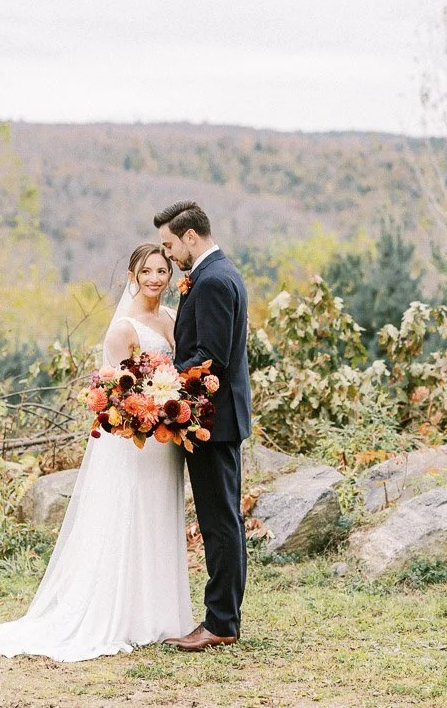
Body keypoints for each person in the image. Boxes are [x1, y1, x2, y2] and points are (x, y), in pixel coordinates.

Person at [0, 244, 194, 662]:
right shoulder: (123, 328)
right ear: (131, 276)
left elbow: (178, 371)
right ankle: (121, 614)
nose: (155, 278)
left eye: (161, 271)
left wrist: (171, 405)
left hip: (164, 443)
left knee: (157, 515)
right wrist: (147, 411)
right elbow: (117, 393)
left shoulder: (171, 318)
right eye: (147, 271)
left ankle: (157, 613)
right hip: (136, 442)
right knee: (129, 516)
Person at [155, 200, 251, 652]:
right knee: (221, 519)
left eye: (170, 244)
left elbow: (210, 358)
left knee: (219, 522)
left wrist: (160, 385)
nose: (169, 255)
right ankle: (222, 618)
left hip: (212, 421)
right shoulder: (218, 273)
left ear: (190, 237)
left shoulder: (212, 280)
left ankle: (221, 623)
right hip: (216, 420)